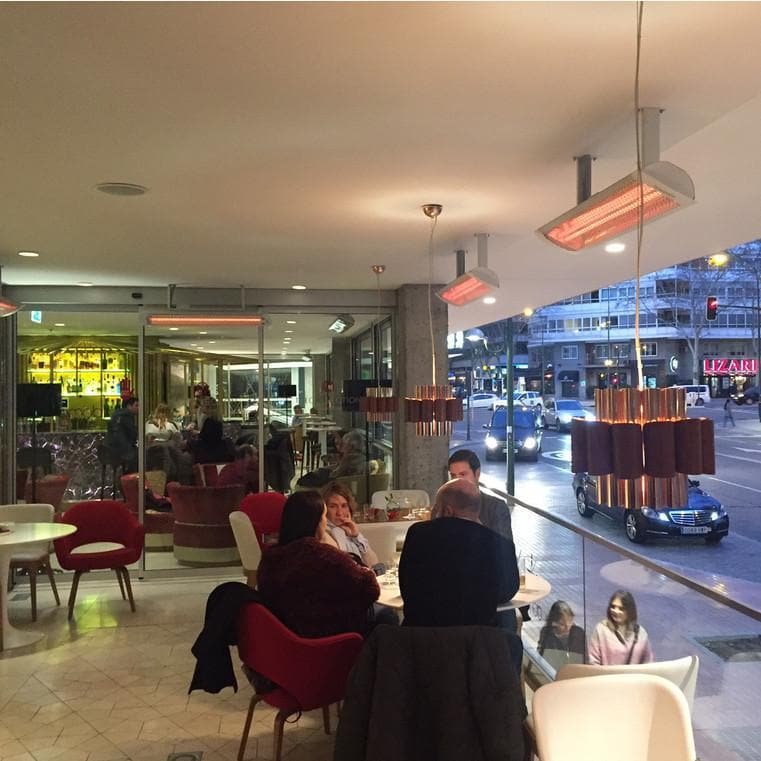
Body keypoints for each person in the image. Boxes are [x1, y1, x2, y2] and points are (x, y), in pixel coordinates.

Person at [257, 490, 380, 638]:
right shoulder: (325, 557)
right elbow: (370, 589)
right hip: (327, 635)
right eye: (324, 515)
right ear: (316, 522)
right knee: (386, 615)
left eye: (344, 505)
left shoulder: (270, 557)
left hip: (283, 635)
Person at [399, 478, 520, 628]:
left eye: (436, 507)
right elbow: (507, 592)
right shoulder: (499, 543)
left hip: (420, 635)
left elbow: (406, 586)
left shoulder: (417, 534)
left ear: (447, 511)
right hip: (476, 638)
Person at [445, 449, 513, 541]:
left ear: (477, 474)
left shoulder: (496, 507)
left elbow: (505, 548)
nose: (457, 481)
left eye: (463, 474)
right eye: (453, 476)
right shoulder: (443, 506)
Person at [588, 589, 654, 665]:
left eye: (621, 608)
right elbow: (593, 661)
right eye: (613, 607)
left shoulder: (640, 633)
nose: (616, 611)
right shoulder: (601, 629)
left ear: (630, 610)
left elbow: (648, 663)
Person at [322, 481, 379, 567]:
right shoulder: (324, 534)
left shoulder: (350, 528)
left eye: (344, 506)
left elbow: (374, 564)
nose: (340, 512)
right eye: (333, 506)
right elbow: (342, 566)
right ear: (325, 509)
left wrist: (357, 537)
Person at [537, 600, 587, 672]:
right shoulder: (546, 633)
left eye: (570, 621)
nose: (567, 627)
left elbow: (585, 660)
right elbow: (541, 656)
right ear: (554, 623)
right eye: (562, 624)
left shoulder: (579, 633)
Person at [106, 396, 139, 473]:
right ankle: (130, 477)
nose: (139, 408)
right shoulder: (127, 416)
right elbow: (132, 433)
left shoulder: (116, 414)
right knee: (143, 456)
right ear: (129, 406)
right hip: (121, 451)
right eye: (136, 405)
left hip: (110, 449)